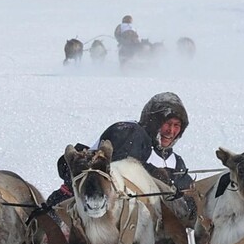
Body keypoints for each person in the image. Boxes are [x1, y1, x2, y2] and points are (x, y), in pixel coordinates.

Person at [43, 92, 196, 224]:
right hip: (80, 211)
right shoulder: (130, 133)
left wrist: (191, 199)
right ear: (154, 121)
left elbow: (185, 187)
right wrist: (161, 177)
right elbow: (121, 168)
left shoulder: (174, 161)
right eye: (167, 124)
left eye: (177, 125)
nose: (171, 131)